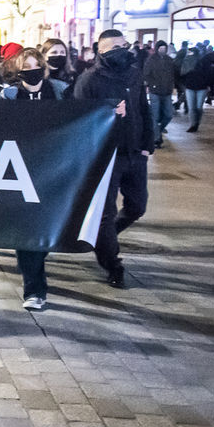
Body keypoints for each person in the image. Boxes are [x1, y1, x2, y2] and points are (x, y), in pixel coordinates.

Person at [73, 30, 154, 289]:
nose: (122, 50)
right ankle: (113, 264)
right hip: (107, 156)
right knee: (106, 213)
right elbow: (82, 120)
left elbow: (143, 108)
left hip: (134, 153)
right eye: (114, 47)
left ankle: (105, 239)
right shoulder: (89, 81)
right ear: (101, 51)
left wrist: (146, 146)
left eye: (124, 45)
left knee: (137, 207)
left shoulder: (133, 72)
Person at [0, 49, 64, 310]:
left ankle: (31, 266)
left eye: (37, 65)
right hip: (20, 169)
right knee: (27, 232)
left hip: (54, 169)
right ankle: (34, 290)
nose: (32, 70)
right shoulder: (9, 95)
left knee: (44, 230)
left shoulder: (60, 91)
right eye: (26, 65)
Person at [177, 44, 214, 133]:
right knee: (192, 107)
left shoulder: (203, 62)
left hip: (201, 87)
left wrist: (209, 85)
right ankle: (193, 125)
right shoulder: (186, 62)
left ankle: (196, 123)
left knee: (198, 107)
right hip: (190, 87)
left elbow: (209, 74)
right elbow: (182, 73)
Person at [142, 41, 176, 147]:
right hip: (155, 92)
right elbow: (146, 74)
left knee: (169, 114)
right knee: (155, 116)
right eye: (161, 48)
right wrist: (152, 85)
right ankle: (157, 138)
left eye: (164, 48)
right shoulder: (151, 60)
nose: (163, 50)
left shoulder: (170, 61)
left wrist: (172, 86)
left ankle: (157, 130)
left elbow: (173, 75)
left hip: (167, 92)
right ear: (157, 49)